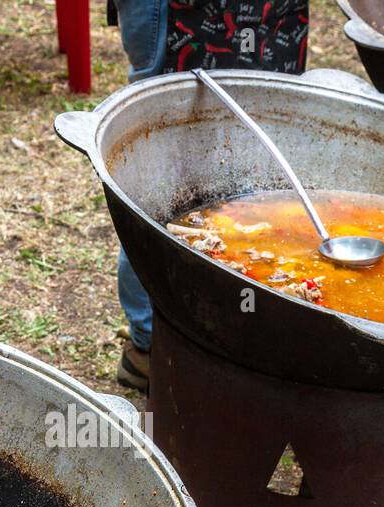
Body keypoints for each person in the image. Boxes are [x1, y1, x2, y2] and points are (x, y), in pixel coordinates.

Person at [109, 0, 310, 391]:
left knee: (259, 154)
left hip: (270, 17)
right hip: (186, 16)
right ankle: (152, 348)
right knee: (167, 180)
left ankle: (231, 344)